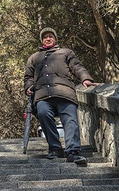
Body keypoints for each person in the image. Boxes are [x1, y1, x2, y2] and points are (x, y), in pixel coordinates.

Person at [24, 27, 97, 166]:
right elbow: (28, 76)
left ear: (55, 38)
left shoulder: (66, 52)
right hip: (42, 95)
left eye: (51, 36)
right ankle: (55, 148)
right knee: (43, 113)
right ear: (42, 41)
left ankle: (73, 151)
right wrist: (28, 86)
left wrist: (85, 79)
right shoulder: (34, 57)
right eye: (45, 37)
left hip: (65, 92)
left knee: (70, 120)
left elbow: (77, 66)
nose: (48, 38)